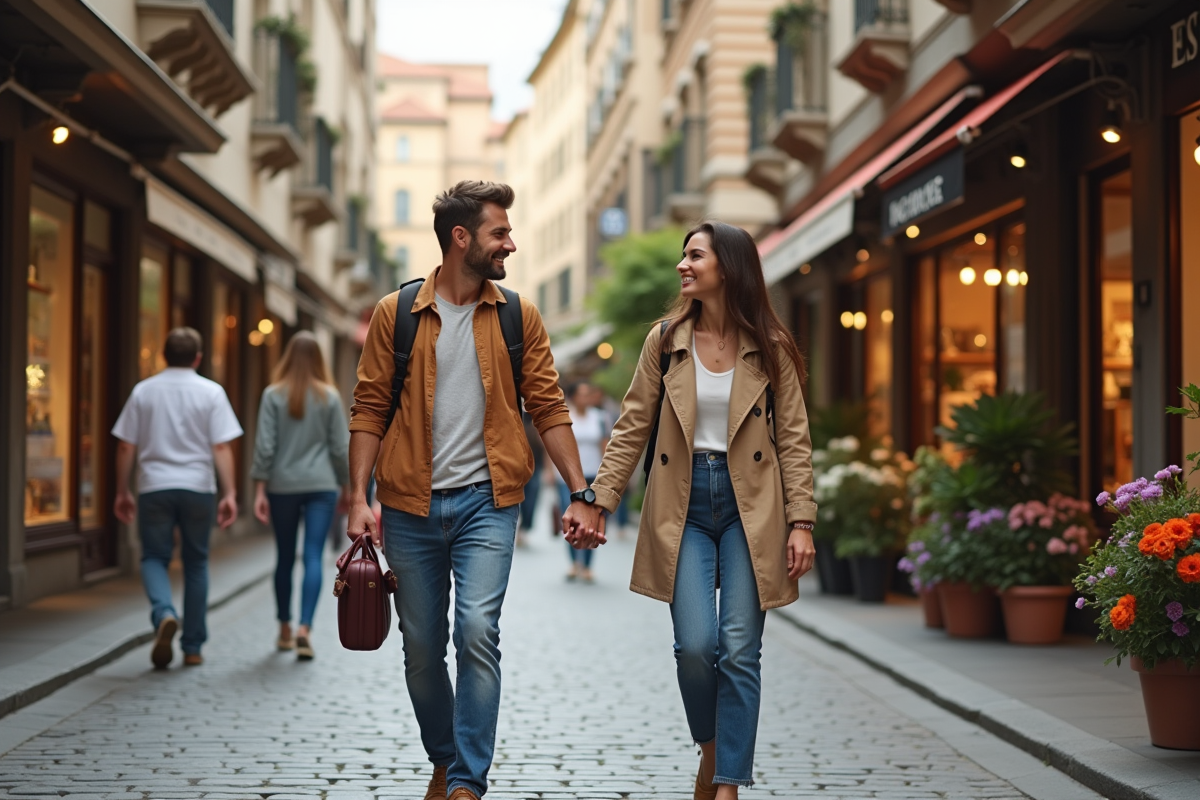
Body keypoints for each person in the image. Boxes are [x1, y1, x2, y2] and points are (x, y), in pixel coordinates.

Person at [346, 180, 599, 800]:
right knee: (422, 648)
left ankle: (465, 782)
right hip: (409, 505)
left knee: (478, 632)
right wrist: (358, 497)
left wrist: (579, 489)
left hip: (489, 502)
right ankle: (444, 755)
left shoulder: (518, 315)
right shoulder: (395, 313)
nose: (510, 244)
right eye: (499, 233)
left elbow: (547, 404)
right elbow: (370, 407)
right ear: (462, 238)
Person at [577, 221, 818, 799]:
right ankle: (712, 750)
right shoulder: (665, 340)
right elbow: (633, 424)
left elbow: (793, 438)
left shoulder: (772, 347)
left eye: (695, 256)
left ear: (728, 267)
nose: (683, 265)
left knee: (739, 648)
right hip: (682, 503)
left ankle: (728, 785)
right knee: (695, 647)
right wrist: (599, 499)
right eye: (684, 257)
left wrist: (802, 521)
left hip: (751, 506)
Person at [112, 327, 243, 669]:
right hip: (198, 487)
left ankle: (164, 613)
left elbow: (126, 445)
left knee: (154, 556)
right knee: (196, 562)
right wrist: (229, 492)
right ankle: (193, 646)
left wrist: (121, 489)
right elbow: (221, 446)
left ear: (163, 355)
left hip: (154, 486)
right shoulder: (212, 392)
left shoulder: (144, 391)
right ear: (198, 358)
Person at [250, 331, 350, 661]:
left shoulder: (272, 395)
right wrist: (348, 486)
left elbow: (265, 446)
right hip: (321, 485)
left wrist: (260, 488)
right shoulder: (330, 397)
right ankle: (305, 629)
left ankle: (284, 628)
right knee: (312, 556)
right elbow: (339, 448)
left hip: (282, 486)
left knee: (283, 557)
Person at [555, 380, 607, 581]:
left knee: (592, 520)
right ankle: (574, 562)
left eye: (588, 394)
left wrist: (606, 478)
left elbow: (605, 446)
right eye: (581, 394)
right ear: (574, 396)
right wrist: (551, 471)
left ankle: (587, 565)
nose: (585, 398)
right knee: (569, 518)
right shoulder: (566, 416)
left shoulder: (599, 417)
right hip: (567, 477)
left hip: (593, 475)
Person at [517, 410, 544, 548]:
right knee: (515, 500)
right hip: (516, 469)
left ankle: (524, 528)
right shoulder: (515, 421)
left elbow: (545, 448)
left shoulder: (538, 425)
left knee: (531, 501)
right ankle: (518, 529)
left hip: (536, 468)